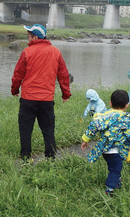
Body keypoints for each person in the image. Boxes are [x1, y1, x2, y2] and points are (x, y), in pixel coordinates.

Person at [11, 24, 72, 160]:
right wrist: (65, 94)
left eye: (29, 35)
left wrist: (15, 90)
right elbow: (63, 75)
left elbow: (17, 74)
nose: (28, 38)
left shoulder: (27, 52)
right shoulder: (56, 52)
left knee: (26, 130)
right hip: (46, 100)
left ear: (35, 37)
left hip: (28, 99)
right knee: (48, 129)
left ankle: (26, 158)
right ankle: (50, 158)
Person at [81, 89, 130, 196]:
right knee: (116, 169)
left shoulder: (103, 116)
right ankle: (110, 189)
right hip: (116, 151)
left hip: (104, 150)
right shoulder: (127, 119)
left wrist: (85, 139)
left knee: (113, 166)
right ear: (127, 105)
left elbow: (93, 127)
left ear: (110, 103)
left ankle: (116, 181)